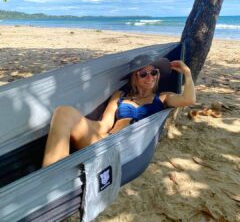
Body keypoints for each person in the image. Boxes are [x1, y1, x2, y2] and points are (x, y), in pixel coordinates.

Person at [42, 54, 196, 167]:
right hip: (105, 141)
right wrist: (79, 124)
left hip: (126, 149)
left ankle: (52, 180)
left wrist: (187, 73)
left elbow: (189, 99)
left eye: (154, 72)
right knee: (63, 112)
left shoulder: (162, 98)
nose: (150, 77)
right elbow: (104, 125)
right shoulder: (120, 96)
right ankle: (52, 176)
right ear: (134, 78)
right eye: (143, 74)